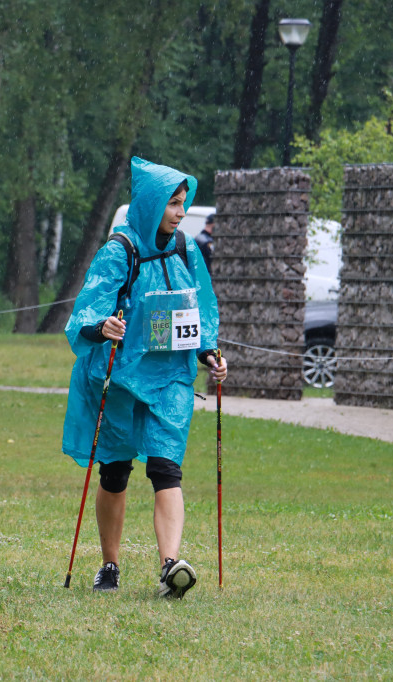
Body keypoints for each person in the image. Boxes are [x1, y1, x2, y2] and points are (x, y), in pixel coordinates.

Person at [62, 157, 228, 598]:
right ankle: (109, 565)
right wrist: (102, 327)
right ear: (153, 203)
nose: (179, 212)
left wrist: (209, 351)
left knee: (166, 468)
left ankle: (170, 565)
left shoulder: (186, 248)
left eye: (182, 204)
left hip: (171, 375)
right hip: (119, 375)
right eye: (172, 204)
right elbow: (89, 306)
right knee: (115, 472)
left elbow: (201, 308)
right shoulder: (120, 250)